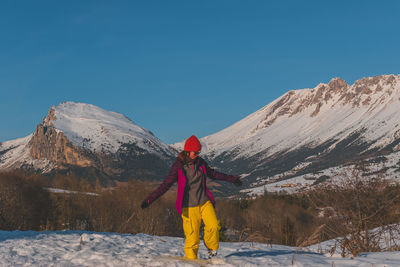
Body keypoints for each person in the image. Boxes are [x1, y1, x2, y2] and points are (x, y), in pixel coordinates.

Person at [141, 135, 242, 260]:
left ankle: (212, 249)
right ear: (188, 151)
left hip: (204, 202)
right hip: (188, 207)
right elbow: (165, 185)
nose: (198, 154)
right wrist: (149, 200)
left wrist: (233, 179)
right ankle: (191, 261)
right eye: (195, 152)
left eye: (199, 152)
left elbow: (213, 174)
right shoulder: (178, 167)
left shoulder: (201, 163)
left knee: (214, 226)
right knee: (192, 238)